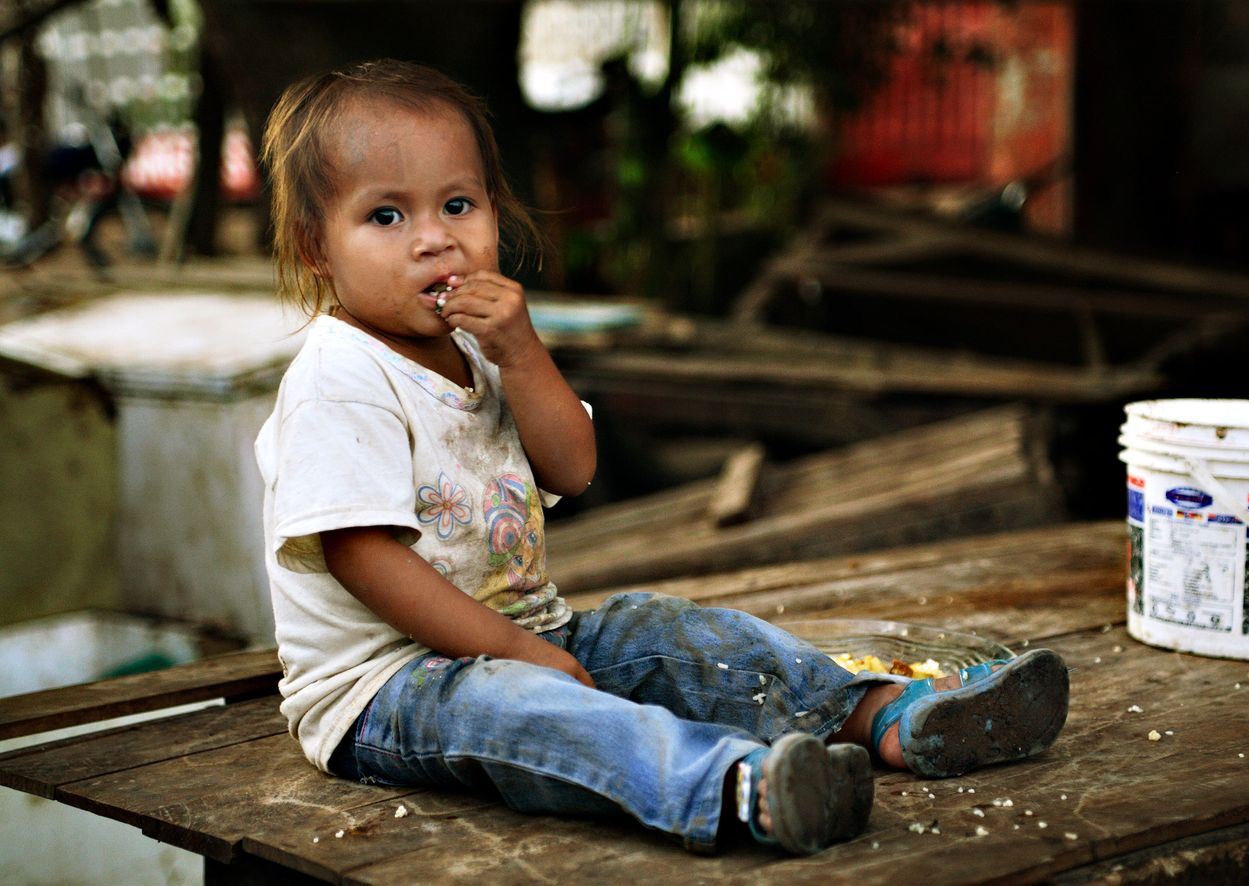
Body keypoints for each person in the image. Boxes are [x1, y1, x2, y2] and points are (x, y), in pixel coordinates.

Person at [255, 58, 1070, 856]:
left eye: (459, 204)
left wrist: (524, 350)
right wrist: (515, 653)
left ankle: (891, 718)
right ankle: (741, 789)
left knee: (669, 632)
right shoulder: (341, 378)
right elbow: (361, 557)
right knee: (527, 711)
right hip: (388, 693)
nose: (435, 240)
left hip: (533, 636)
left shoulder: (479, 347)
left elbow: (572, 468)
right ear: (315, 246)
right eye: (386, 217)